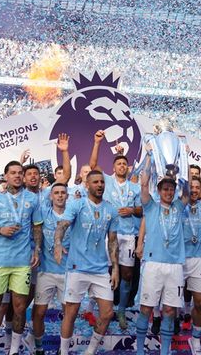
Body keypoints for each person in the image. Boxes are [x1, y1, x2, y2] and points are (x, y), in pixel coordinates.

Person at [0, 161, 43, 355]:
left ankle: (14, 350)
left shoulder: (32, 199)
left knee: (20, 307)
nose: (17, 176)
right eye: (13, 173)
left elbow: (37, 226)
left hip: (22, 262)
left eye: (19, 173)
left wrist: (37, 249)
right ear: (5, 176)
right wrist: (0, 230)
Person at [54, 170, 120, 355]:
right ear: (87, 185)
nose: (100, 185)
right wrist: (58, 243)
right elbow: (62, 225)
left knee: (107, 313)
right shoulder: (77, 204)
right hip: (77, 268)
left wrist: (115, 268)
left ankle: (90, 351)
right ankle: (64, 351)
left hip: (100, 269)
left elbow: (113, 240)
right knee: (71, 313)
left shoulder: (111, 209)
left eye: (102, 182)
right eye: (95, 182)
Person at [89, 129, 142, 330]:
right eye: (118, 163)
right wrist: (97, 143)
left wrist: (132, 209)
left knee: (127, 274)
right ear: (113, 167)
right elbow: (93, 166)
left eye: (124, 164)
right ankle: (103, 308)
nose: (121, 166)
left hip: (128, 235)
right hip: (108, 233)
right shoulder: (108, 181)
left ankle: (120, 310)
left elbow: (141, 211)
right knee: (105, 271)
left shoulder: (134, 188)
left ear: (128, 168)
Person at [134, 164, 189, 355]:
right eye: (165, 189)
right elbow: (143, 184)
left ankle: (164, 350)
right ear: (159, 191)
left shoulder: (179, 207)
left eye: (171, 189)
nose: (169, 192)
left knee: (169, 311)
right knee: (146, 308)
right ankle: (139, 349)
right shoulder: (150, 207)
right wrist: (149, 157)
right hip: (153, 264)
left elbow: (187, 190)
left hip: (174, 266)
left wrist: (184, 159)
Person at [30, 134, 72, 355]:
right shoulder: (44, 211)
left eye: (62, 192)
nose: (58, 195)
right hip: (46, 271)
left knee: (69, 311)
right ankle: (38, 347)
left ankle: (64, 351)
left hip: (66, 272)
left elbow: (65, 176)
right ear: (51, 195)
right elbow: (62, 178)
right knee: (38, 312)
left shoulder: (73, 212)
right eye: (55, 192)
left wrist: (64, 151)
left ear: (67, 195)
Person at [180, 177, 201, 354]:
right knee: (170, 305)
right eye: (191, 186)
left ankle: (196, 339)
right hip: (177, 259)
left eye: (198, 187)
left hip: (197, 260)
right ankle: (166, 335)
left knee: (200, 302)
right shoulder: (179, 206)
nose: (194, 190)